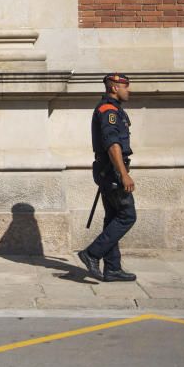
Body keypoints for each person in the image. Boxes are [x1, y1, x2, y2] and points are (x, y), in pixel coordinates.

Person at [78, 73, 138, 282]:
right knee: (127, 216)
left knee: (113, 217)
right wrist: (123, 175)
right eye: (125, 86)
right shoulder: (108, 111)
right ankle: (92, 253)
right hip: (112, 172)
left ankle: (112, 268)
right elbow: (113, 145)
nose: (128, 90)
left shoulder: (113, 110)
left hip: (108, 171)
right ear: (114, 88)